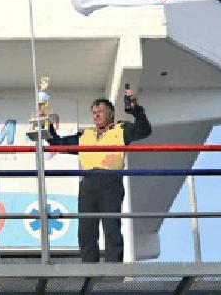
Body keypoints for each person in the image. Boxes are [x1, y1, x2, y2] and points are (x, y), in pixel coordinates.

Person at [46, 86, 151, 263]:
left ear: (111, 114)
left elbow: (144, 130)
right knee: (86, 228)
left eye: (100, 112)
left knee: (111, 226)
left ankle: (113, 267)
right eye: (94, 112)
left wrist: (136, 111)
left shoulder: (121, 129)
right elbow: (57, 143)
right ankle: (89, 268)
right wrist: (46, 126)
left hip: (111, 180)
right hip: (88, 182)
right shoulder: (85, 135)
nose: (96, 115)